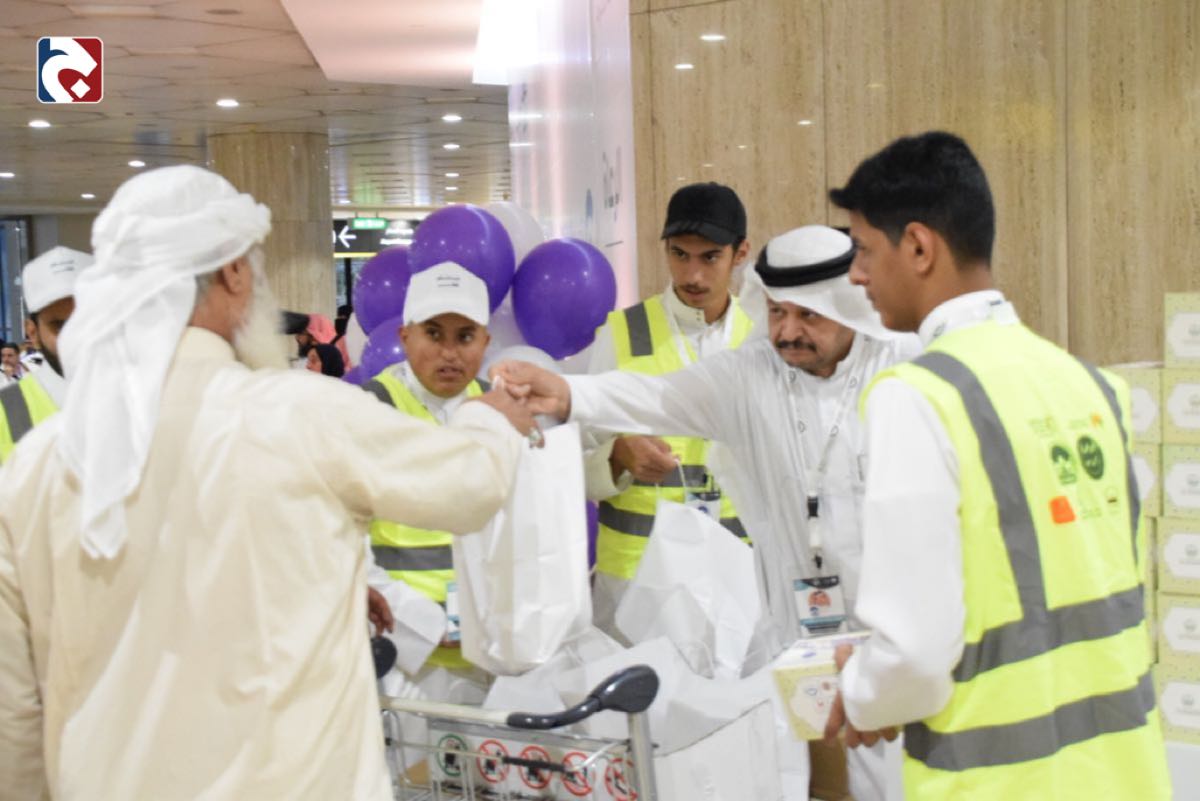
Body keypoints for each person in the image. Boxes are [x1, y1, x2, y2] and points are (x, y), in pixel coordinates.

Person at [0, 165, 538, 800]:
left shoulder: (34, 466)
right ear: (234, 272)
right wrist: (492, 418)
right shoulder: (300, 414)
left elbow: (14, 710)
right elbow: (468, 486)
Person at [493, 224, 920, 801]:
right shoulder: (751, 375)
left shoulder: (907, 371)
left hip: (895, 634)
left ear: (849, 308)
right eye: (776, 312)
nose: (786, 331)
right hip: (799, 635)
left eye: (808, 316)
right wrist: (569, 395)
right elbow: (657, 396)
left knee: (904, 779)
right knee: (816, 781)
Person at [821, 131, 1168, 800]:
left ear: (918, 247)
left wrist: (860, 691)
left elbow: (916, 654)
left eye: (863, 249)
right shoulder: (1092, 384)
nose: (856, 275)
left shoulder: (919, 397)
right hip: (1126, 775)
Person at [586, 181, 755, 632]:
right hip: (635, 576)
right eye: (680, 254)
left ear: (740, 254)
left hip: (738, 571)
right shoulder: (622, 333)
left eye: (710, 257)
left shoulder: (763, 338)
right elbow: (574, 454)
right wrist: (617, 455)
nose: (692, 275)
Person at [360, 260, 496, 703]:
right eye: (434, 334)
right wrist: (427, 626)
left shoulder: (501, 412)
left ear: (486, 341)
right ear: (405, 336)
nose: (450, 353)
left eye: (465, 336)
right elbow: (342, 542)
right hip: (400, 657)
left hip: (491, 654)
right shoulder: (368, 411)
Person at [0, 246, 89, 462]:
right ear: (33, 333)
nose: (75, 337)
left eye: (86, 320)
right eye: (59, 326)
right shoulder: (8, 408)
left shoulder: (139, 396)